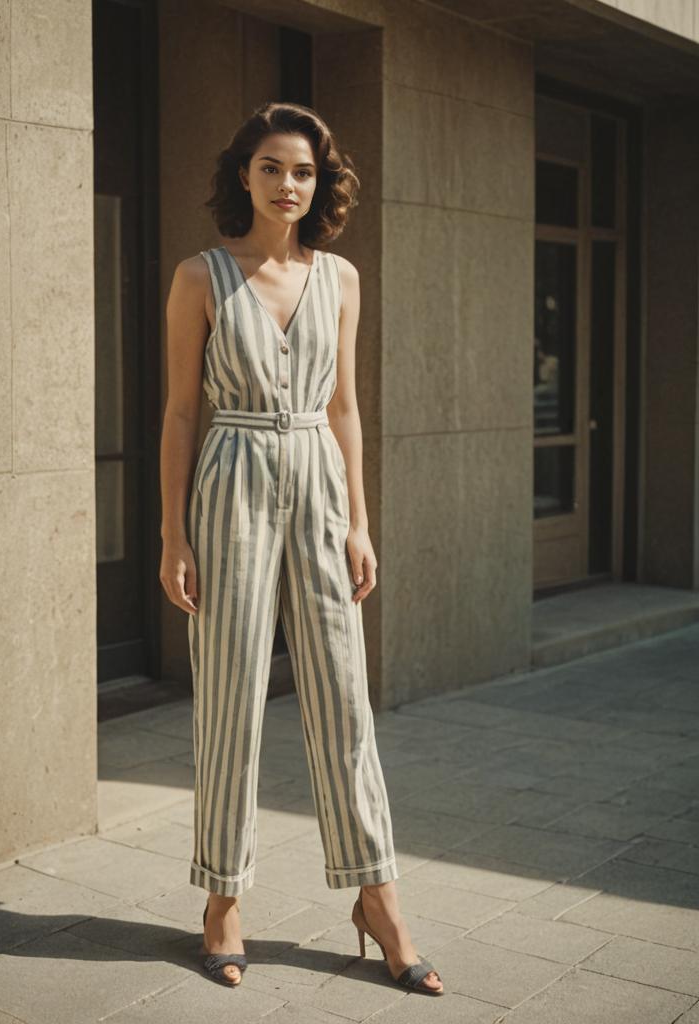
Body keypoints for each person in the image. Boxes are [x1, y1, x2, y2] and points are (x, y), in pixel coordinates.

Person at [159, 101, 443, 996]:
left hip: (318, 482)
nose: (290, 184)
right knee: (231, 703)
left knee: (343, 702)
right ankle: (222, 901)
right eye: (274, 166)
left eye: (306, 171)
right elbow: (178, 413)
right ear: (243, 173)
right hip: (231, 476)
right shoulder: (200, 276)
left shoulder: (342, 279)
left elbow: (345, 408)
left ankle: (378, 897)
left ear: (322, 183)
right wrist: (173, 533)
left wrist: (359, 520)